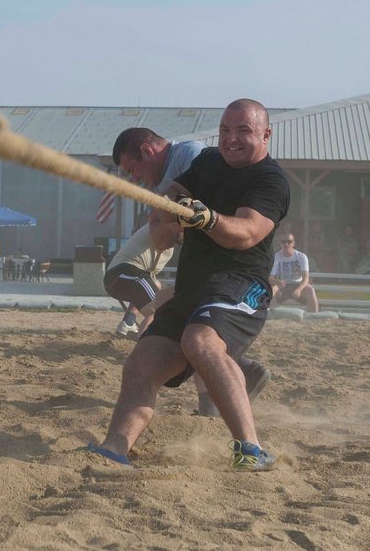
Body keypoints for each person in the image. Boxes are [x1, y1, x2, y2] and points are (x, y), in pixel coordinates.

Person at [85, 99, 290, 471]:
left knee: (199, 340)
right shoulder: (208, 161)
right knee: (140, 364)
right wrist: (175, 209)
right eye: (226, 130)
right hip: (192, 287)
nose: (231, 139)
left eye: (243, 131)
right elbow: (166, 205)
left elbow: (246, 233)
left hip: (241, 286)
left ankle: (252, 450)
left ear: (265, 135)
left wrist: (206, 218)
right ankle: (114, 450)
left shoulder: (270, 180)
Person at [113, 126, 272, 414]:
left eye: (132, 168)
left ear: (148, 151)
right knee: (179, 321)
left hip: (229, 271)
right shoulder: (167, 178)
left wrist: (174, 221)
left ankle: (218, 398)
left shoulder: (191, 155)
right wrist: (168, 221)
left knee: (198, 332)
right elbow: (160, 237)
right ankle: (240, 372)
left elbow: (210, 208)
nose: (133, 178)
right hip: (204, 268)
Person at [103, 224, 174, 336]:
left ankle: (129, 321)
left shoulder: (171, 245)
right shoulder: (160, 227)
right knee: (158, 311)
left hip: (127, 277)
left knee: (156, 284)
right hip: (121, 274)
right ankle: (142, 346)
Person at [269, 232, 319, 313]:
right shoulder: (276, 257)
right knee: (272, 289)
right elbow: (270, 278)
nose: (286, 244)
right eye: (283, 242)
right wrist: (276, 281)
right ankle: (271, 315)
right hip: (282, 286)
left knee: (310, 289)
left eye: (289, 242)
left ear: (293, 243)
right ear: (280, 244)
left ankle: (314, 316)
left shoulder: (301, 256)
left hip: (298, 284)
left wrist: (299, 289)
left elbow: (306, 278)